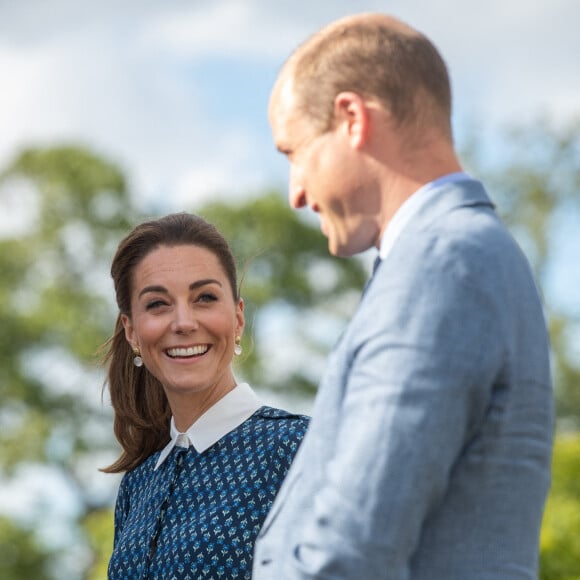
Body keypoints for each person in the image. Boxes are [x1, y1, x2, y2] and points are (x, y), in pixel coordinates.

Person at [253, 12, 554, 579]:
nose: (294, 192)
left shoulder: (440, 265)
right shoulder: (460, 256)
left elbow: (353, 548)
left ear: (351, 119)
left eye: (293, 153)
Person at [103, 212, 309, 579]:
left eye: (204, 298)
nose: (183, 322)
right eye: (157, 304)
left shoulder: (299, 449)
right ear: (132, 331)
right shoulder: (137, 484)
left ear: (238, 318)